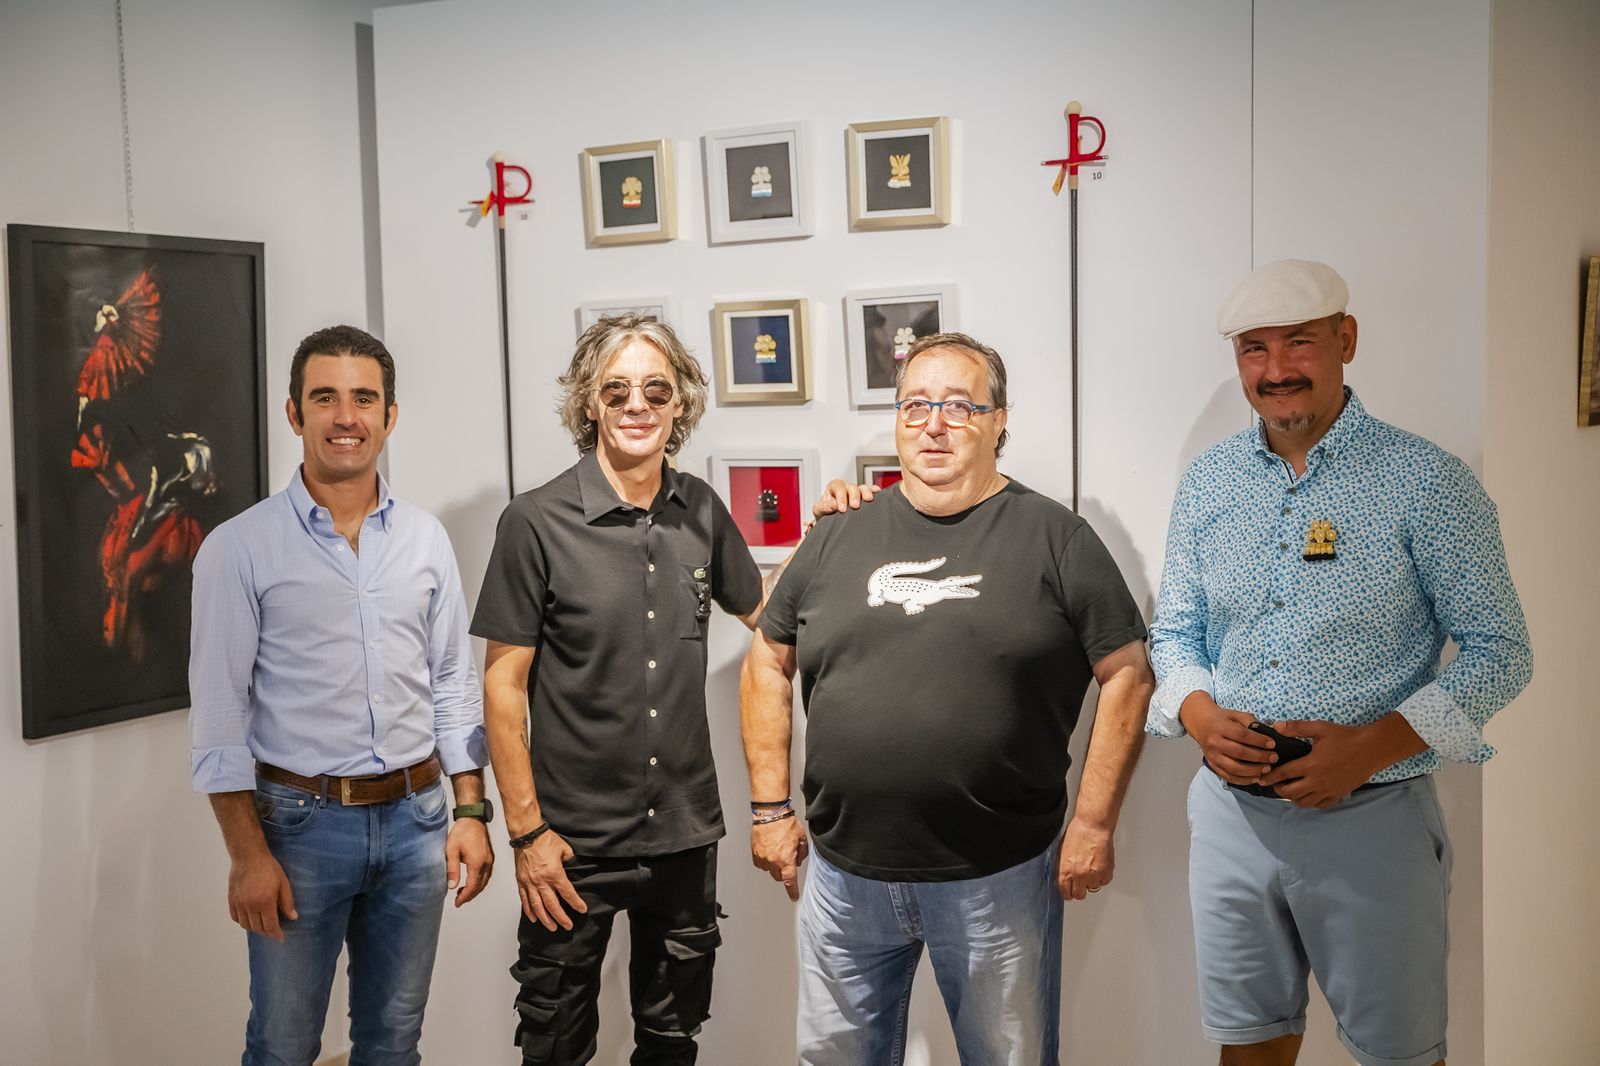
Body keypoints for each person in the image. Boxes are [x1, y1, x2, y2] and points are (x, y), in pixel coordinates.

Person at [1146, 260, 1533, 1066]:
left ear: (1346, 341)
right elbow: (1174, 632)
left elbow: (1502, 650)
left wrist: (1372, 746)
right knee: (1249, 1045)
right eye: (1256, 349)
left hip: (1374, 818)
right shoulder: (1209, 482)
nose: (1278, 369)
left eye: (1300, 343)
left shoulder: (1427, 482)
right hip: (1229, 816)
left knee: (1397, 1053)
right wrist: (1200, 716)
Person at [742, 332, 1155, 1065]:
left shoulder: (1056, 538)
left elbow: (1128, 673)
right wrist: (770, 808)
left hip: (998, 876)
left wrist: (1093, 825)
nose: (934, 422)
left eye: (961, 406)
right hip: (844, 878)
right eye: (917, 405)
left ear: (1001, 421)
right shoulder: (836, 535)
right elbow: (768, 660)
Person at [189, 324, 493, 1066]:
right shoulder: (240, 546)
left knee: (393, 1043)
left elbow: (454, 683)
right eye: (325, 397)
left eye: (364, 399)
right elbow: (220, 714)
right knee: (284, 1045)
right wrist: (246, 856)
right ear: (295, 414)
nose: (346, 417)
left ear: (390, 415)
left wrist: (471, 811)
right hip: (298, 832)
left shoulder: (425, 540)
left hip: (420, 824)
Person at [472, 314, 766, 1065]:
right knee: (556, 1047)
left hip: (684, 835)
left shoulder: (700, 508)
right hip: (569, 846)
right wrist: (527, 835)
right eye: (618, 389)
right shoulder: (534, 522)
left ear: (680, 406)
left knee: (672, 1042)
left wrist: (837, 526)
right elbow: (503, 690)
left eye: (656, 390)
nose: (638, 404)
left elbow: (772, 615)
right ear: (590, 405)